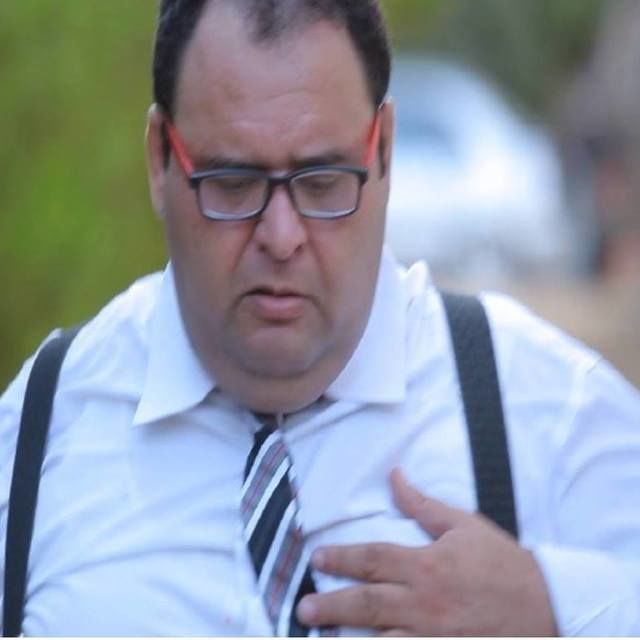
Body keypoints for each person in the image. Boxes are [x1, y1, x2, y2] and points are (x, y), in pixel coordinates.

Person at [1, 0, 639, 635]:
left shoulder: (546, 412)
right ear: (159, 159)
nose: (281, 237)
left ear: (383, 150)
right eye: (233, 182)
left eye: (323, 180)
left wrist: (552, 603)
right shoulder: (40, 430)